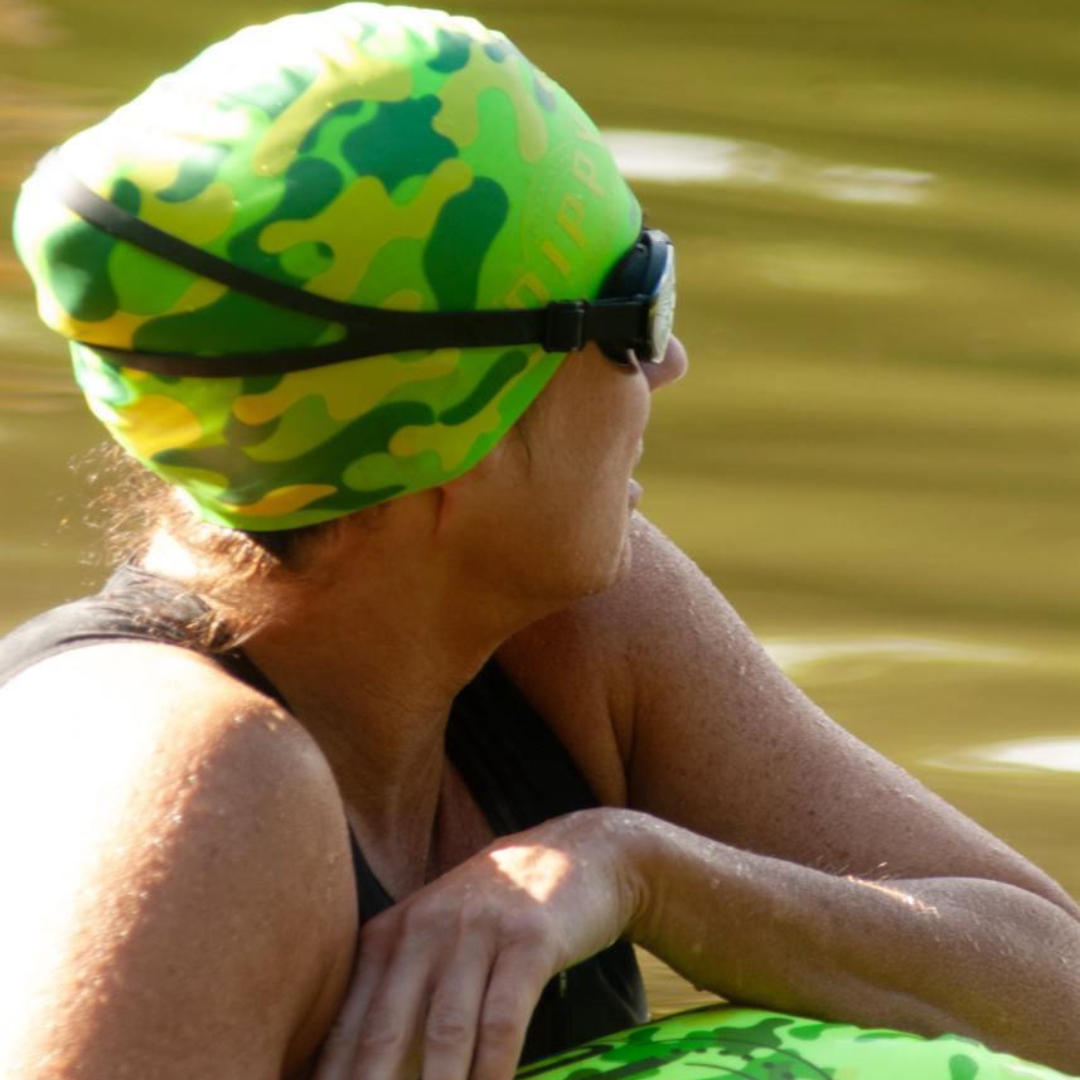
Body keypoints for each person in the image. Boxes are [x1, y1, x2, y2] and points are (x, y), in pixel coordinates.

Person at [3, 4, 1080, 1079]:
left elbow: (1055, 989)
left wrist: (643, 871)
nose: (670, 367)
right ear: (448, 430)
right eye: (634, 309)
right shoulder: (184, 785)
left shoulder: (569, 626)